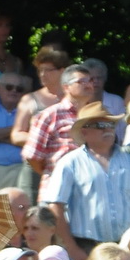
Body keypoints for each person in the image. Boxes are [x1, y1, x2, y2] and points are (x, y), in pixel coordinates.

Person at [45, 106, 130, 260]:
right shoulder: (69, 163)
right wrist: (72, 249)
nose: (108, 130)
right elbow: (55, 206)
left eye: (111, 125)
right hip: (86, 247)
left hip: (127, 245)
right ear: (84, 132)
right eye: (100, 126)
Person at [21, 64, 97, 192]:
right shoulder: (50, 115)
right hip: (58, 190)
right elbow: (32, 155)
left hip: (92, 189)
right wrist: (54, 173)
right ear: (66, 87)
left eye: (90, 80)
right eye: (81, 81)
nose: (88, 85)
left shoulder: (98, 115)